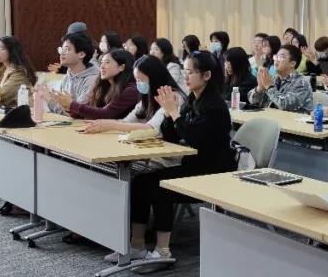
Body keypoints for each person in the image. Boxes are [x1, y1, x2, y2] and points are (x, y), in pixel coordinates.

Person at [108, 50, 235, 263]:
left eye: (190, 72)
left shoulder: (215, 106)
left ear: (206, 75)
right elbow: (173, 136)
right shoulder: (194, 99)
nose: (185, 77)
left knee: (158, 187)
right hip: (194, 165)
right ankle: (136, 245)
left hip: (212, 171)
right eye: (184, 71)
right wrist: (168, 114)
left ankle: (163, 251)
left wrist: (175, 113)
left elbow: (194, 138)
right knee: (140, 183)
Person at [81, 55, 186, 138]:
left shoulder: (173, 97)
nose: (138, 84)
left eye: (141, 80)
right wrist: (102, 123)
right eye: (137, 80)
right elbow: (127, 121)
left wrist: (112, 125)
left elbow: (151, 128)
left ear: (155, 78)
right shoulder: (147, 96)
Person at [57, 48, 140, 120]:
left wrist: (72, 105)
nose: (101, 66)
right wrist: (67, 106)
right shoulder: (105, 86)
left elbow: (105, 114)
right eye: (101, 62)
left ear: (121, 67)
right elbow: (90, 111)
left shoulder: (130, 90)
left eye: (107, 62)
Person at [249, 43, 313, 113]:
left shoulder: (301, 83)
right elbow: (253, 101)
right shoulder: (273, 79)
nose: (276, 60)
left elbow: (286, 105)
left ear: (292, 63)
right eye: (276, 56)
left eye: (281, 57)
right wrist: (260, 88)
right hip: (271, 117)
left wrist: (269, 86)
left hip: (293, 119)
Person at [45, 33, 99, 113]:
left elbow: (77, 112)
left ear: (81, 54)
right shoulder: (67, 76)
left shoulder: (92, 80)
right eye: (61, 49)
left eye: (66, 50)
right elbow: (62, 107)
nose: (62, 53)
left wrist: (49, 100)